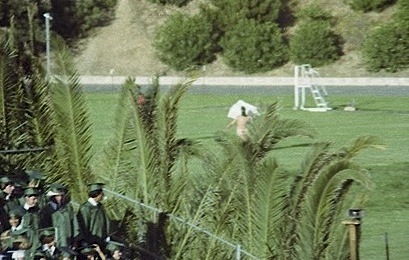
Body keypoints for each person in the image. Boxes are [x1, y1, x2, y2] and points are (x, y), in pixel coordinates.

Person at [40, 183, 80, 248]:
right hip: (55, 243)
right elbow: (45, 228)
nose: (60, 198)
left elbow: (74, 224)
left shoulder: (68, 208)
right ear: (52, 197)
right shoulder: (46, 210)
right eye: (57, 196)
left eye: (61, 195)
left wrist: (76, 240)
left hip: (68, 241)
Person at [76, 183, 111, 249]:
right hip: (90, 242)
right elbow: (83, 226)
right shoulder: (85, 208)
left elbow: (105, 221)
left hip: (101, 240)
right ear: (96, 194)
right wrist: (86, 241)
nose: (103, 196)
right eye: (101, 194)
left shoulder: (100, 206)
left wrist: (106, 235)